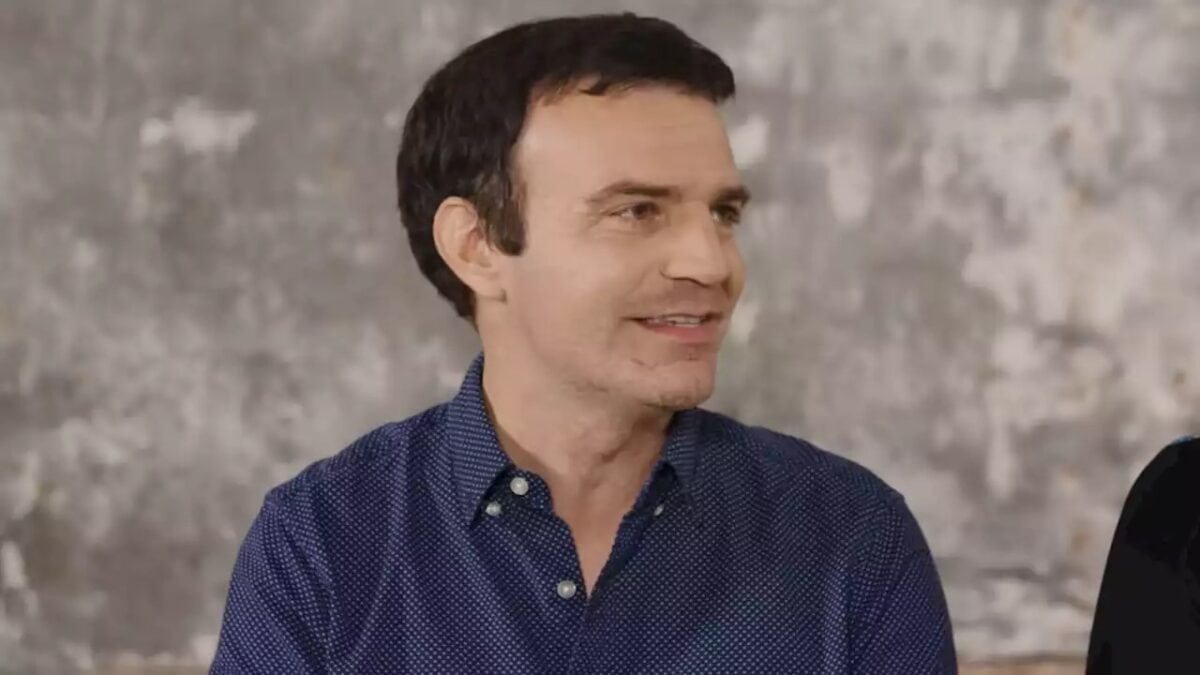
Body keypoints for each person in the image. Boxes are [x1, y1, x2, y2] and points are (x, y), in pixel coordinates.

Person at [211, 12, 956, 673]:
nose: (711, 264)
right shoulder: (322, 543)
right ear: (476, 247)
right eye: (637, 211)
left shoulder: (852, 537)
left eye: (723, 214)